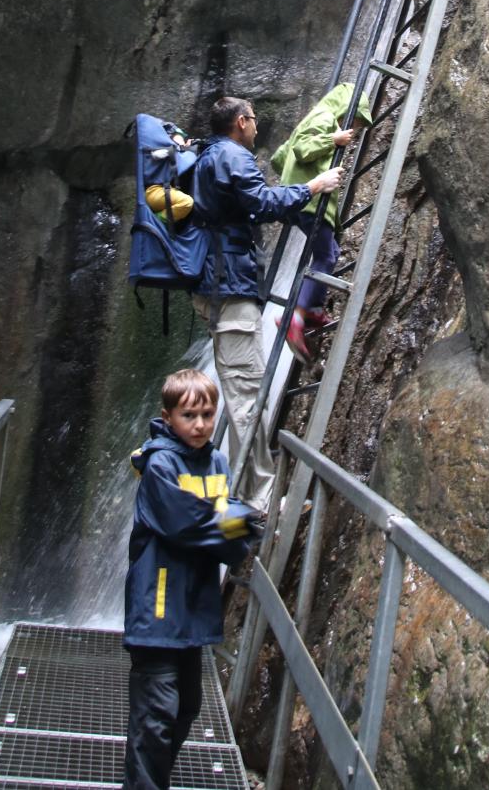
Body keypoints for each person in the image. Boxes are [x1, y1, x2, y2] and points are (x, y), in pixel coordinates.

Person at [190, 96, 343, 514]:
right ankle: (257, 501)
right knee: (246, 395)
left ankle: (246, 490)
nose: (257, 128)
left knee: (242, 391)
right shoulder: (232, 156)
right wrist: (313, 187)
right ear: (242, 122)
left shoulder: (208, 155)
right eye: (254, 120)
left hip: (218, 286)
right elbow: (261, 203)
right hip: (228, 290)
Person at [122, 368, 256, 790]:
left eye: (208, 415)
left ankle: (152, 777)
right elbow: (187, 522)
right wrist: (243, 521)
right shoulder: (160, 465)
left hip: (195, 607)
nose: (200, 425)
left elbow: (221, 527)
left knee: (187, 708)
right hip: (158, 607)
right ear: (168, 417)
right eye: (189, 415)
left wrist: (235, 527)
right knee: (156, 712)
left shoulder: (216, 461)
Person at [270, 83, 372, 361]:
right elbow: (302, 149)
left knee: (329, 252)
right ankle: (295, 317)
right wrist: (333, 140)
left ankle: (312, 309)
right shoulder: (325, 117)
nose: (355, 129)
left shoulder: (316, 117)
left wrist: (291, 177)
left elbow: (280, 157)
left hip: (301, 199)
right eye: (356, 121)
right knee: (326, 255)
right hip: (311, 200)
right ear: (346, 109)